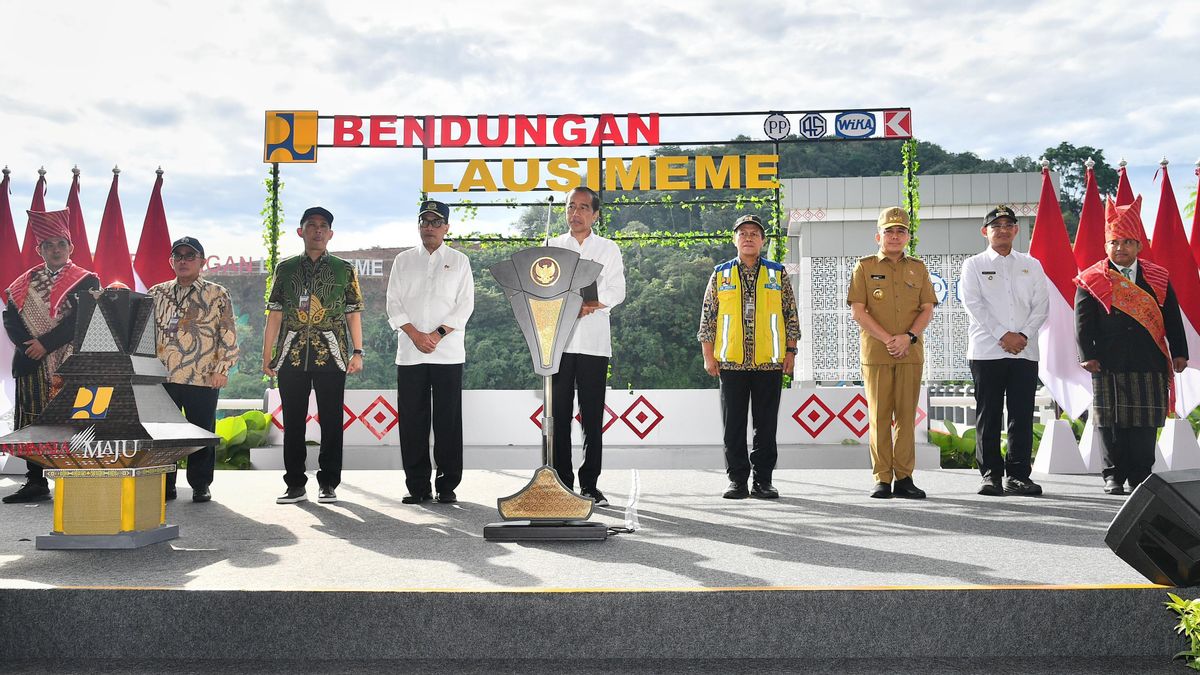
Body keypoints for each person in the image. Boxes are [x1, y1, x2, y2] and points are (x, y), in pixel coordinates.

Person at [1075, 196, 1188, 495]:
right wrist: (1087, 355)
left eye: (1127, 242)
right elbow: (1083, 323)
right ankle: (1113, 475)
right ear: (1106, 246)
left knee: (1144, 423)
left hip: (1147, 359)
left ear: (1139, 245)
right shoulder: (1091, 279)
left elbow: (1172, 318)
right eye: (1114, 242)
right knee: (1109, 422)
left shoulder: (1158, 277)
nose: (1120, 248)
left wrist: (1179, 352)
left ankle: (1141, 474)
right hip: (1107, 361)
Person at [263, 206, 365, 505]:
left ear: (330, 233)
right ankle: (295, 483)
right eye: (311, 225)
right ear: (301, 231)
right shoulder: (286, 268)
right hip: (291, 354)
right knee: (293, 421)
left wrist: (357, 351)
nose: (317, 230)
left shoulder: (343, 269)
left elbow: (353, 313)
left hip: (332, 355)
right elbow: (275, 313)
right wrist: (267, 354)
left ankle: (328, 483)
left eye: (323, 226)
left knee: (332, 421)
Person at [698, 214, 800, 499]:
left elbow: (791, 316)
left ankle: (763, 480)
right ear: (735, 239)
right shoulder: (721, 274)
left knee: (766, 425)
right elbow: (708, 318)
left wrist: (790, 352)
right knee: (734, 425)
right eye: (743, 233)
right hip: (731, 362)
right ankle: (737, 480)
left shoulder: (777, 273)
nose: (749, 238)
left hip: (769, 361)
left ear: (763, 240)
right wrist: (709, 356)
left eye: (755, 233)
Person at [2, 209, 99, 503]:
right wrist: (30, 346)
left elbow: (83, 318)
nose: (55, 250)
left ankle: (76, 480)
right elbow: (11, 319)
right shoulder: (21, 283)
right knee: (33, 422)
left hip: (71, 362)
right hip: (31, 361)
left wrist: (45, 343)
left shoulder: (87, 279)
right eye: (48, 245)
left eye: (60, 244)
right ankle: (36, 481)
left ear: (70, 248)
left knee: (72, 419)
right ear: (39, 249)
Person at [386, 201, 475, 505]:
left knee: (448, 421)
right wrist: (415, 334)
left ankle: (448, 486)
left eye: (436, 222)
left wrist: (436, 336)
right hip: (410, 353)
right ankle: (417, 487)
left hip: (447, 352)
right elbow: (393, 303)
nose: (429, 226)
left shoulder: (460, 261)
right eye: (424, 221)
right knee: (412, 421)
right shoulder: (403, 260)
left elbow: (464, 305)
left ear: (446, 227)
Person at [847, 207, 937, 499]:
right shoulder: (864, 266)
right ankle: (882, 478)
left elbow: (927, 310)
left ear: (908, 236)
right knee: (880, 416)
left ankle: (905, 477)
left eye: (901, 231)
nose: (895, 236)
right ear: (878, 236)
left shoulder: (918, 268)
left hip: (909, 353)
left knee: (907, 417)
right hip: (877, 353)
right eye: (889, 231)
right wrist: (889, 339)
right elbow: (858, 312)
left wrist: (907, 337)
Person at [959, 206, 1049, 497]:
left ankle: (1019, 475)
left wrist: (1021, 336)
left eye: (1009, 224)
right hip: (987, 350)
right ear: (985, 232)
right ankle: (990, 475)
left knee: (1021, 415)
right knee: (989, 414)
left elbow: (1042, 306)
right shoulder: (973, 264)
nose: (1003, 229)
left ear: (1016, 230)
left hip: (1024, 350)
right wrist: (1003, 335)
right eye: (996, 225)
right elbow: (974, 306)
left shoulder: (1031, 264)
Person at [547, 186, 625, 507]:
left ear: (595, 214)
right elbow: (543, 288)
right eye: (570, 207)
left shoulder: (608, 249)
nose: (575, 214)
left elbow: (616, 290)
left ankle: (590, 485)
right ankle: (562, 483)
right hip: (559, 344)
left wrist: (588, 304)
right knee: (559, 415)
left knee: (592, 417)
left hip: (593, 344)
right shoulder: (551, 246)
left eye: (582, 208)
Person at [147, 236, 239, 503]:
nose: (184, 261)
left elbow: (228, 333)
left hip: (203, 374)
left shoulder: (217, 293)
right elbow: (143, 335)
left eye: (190, 256)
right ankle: (165, 483)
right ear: (171, 261)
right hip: (162, 376)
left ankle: (200, 484)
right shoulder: (156, 293)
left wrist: (223, 368)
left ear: (202, 261)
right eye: (179, 256)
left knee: (201, 430)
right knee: (164, 433)